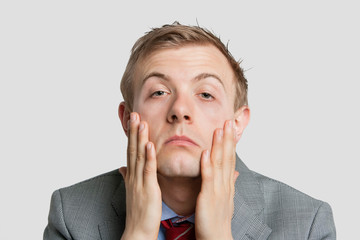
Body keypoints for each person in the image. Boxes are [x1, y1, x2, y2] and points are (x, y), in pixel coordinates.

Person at [44, 22, 336, 240]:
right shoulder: (70, 214)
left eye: (206, 94)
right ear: (127, 118)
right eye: (158, 92)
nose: (179, 110)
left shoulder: (308, 223)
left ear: (237, 123)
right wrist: (137, 234)